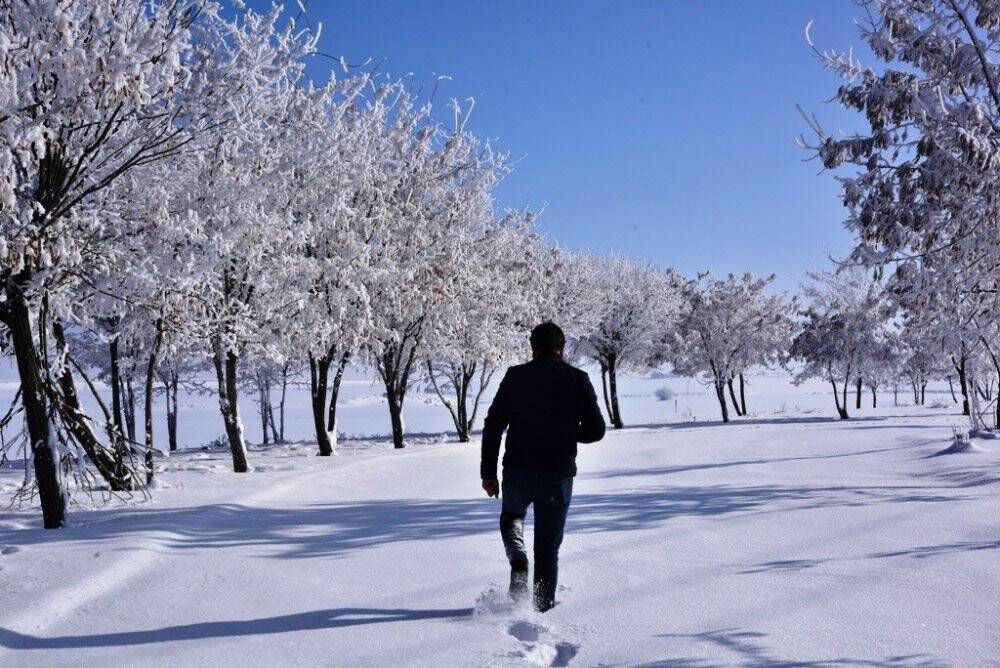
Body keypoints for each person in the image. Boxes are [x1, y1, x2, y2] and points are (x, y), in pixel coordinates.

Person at [480, 322, 606, 612]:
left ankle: (518, 559)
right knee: (548, 550)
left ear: (533, 348)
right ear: (562, 350)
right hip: (557, 475)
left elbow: (493, 425)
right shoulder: (578, 379)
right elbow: (597, 430)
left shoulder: (515, 377)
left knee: (512, 516)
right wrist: (568, 433)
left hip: (517, 472)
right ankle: (542, 612)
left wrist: (488, 474)